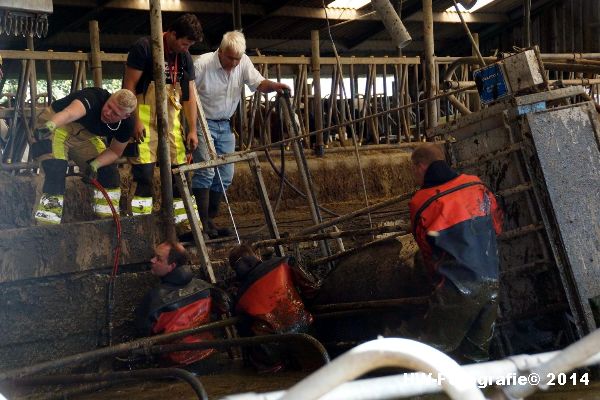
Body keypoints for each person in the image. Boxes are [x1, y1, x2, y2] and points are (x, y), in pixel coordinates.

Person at [403, 142, 503, 362]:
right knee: (476, 358)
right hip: (492, 285)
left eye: (413, 170)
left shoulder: (421, 202)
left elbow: (427, 252)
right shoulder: (475, 185)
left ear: (420, 166)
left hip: (456, 290)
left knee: (431, 358)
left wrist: (436, 283)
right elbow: (496, 225)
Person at [192, 30, 290, 238]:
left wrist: (275, 86)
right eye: (230, 58)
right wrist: (190, 126)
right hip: (203, 122)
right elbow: (187, 92)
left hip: (226, 125)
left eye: (238, 58)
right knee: (206, 172)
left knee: (226, 175)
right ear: (221, 51)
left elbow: (258, 83)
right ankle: (201, 224)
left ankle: (210, 219)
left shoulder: (243, 62)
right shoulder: (202, 64)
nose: (235, 63)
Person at [123, 13, 201, 231]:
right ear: (173, 35)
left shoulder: (184, 58)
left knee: (181, 174)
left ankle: (184, 225)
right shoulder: (145, 47)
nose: (186, 48)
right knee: (144, 174)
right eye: (184, 43)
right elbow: (128, 85)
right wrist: (135, 121)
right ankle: (139, 226)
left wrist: (192, 129)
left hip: (171, 119)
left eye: (189, 45)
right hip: (144, 116)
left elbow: (188, 96)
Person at [31, 88, 137, 224]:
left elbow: (115, 152)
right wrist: (50, 125)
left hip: (84, 135)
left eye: (115, 113)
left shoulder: (127, 125)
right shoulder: (93, 97)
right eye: (109, 106)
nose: (108, 112)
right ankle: (45, 225)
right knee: (55, 169)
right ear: (109, 98)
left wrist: (95, 164)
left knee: (107, 171)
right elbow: (69, 114)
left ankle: (107, 221)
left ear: (125, 116)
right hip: (58, 122)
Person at [136, 240, 231, 365]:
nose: (152, 260)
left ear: (172, 266)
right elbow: (225, 306)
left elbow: (142, 332)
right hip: (211, 355)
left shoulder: (154, 298)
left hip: (176, 367)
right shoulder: (205, 287)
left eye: (158, 259)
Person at [228, 244, 317, 372]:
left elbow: (243, 330)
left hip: (270, 346)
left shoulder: (239, 295)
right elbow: (311, 290)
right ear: (256, 256)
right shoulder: (284, 262)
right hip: (303, 329)